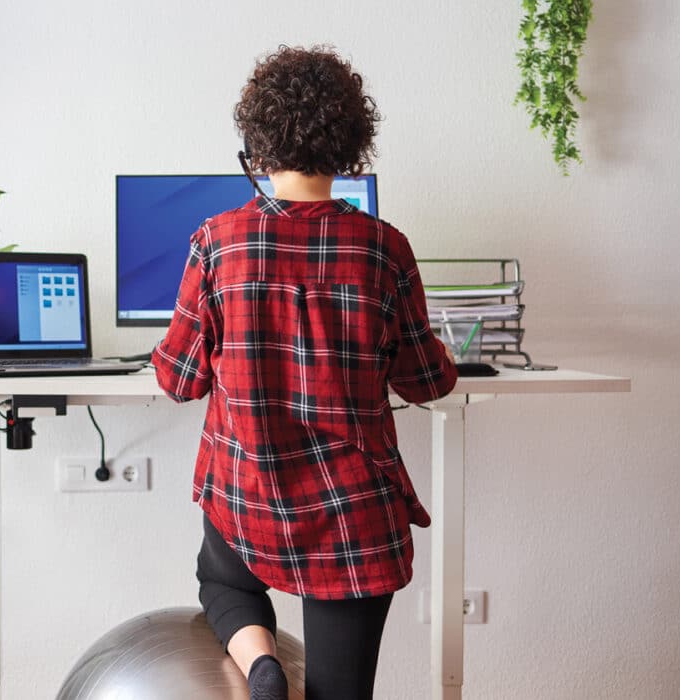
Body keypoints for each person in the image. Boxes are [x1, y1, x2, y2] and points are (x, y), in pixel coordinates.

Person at [151, 45, 457, 700]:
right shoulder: (385, 248)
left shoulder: (217, 241)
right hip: (353, 514)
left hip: (248, 495)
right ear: (351, 145)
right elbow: (426, 383)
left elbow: (178, 381)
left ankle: (262, 667)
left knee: (223, 580)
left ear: (256, 148)